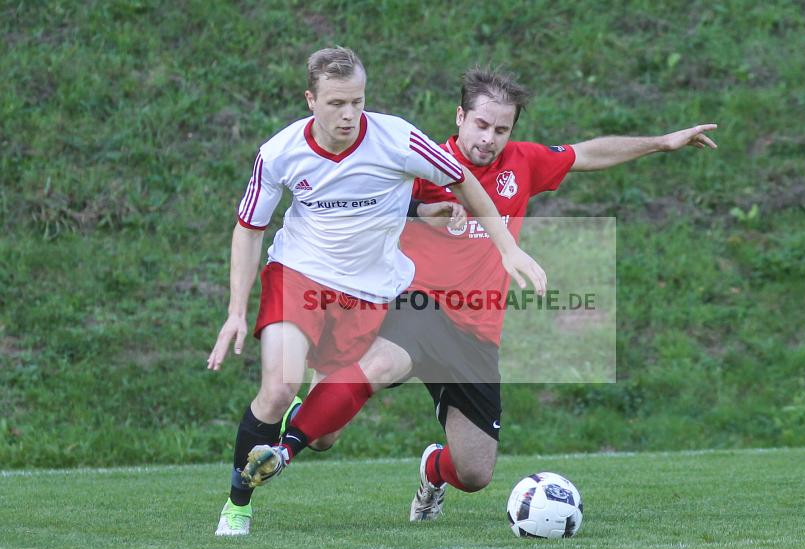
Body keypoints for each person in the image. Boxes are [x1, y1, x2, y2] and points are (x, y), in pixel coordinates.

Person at [246, 66, 717, 522]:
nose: (489, 138)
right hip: (416, 305)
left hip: (476, 333)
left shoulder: (523, 163)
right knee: (342, 413)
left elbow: (586, 154)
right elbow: (362, 202)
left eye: (501, 129)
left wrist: (662, 143)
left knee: (474, 472)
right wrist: (419, 210)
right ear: (460, 117)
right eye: (481, 124)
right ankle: (284, 450)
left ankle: (432, 470)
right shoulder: (423, 160)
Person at [208, 50, 547, 536]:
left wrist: (507, 248)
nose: (348, 114)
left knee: (325, 437)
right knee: (279, 386)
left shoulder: (397, 139)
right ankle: (238, 506)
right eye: (336, 103)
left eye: (357, 102)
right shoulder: (279, 152)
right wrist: (235, 311)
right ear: (311, 100)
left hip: (366, 295)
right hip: (298, 275)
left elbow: (463, 181)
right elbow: (249, 228)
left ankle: (302, 425)